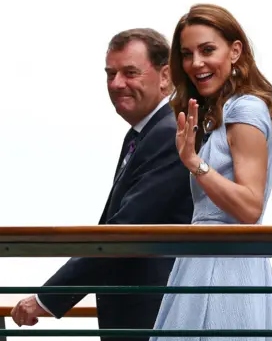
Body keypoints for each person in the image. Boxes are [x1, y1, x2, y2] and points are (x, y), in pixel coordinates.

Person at [10, 28, 194, 340]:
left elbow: (126, 228)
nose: (116, 84)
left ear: (165, 76)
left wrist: (47, 298)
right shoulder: (141, 133)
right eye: (110, 74)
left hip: (155, 316)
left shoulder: (167, 133)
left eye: (130, 72)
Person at [149, 3, 272, 341]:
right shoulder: (220, 113)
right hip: (204, 265)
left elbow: (249, 206)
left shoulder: (245, 108)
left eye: (207, 49)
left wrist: (194, 163)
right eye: (187, 54)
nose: (195, 63)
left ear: (235, 51)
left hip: (228, 270)